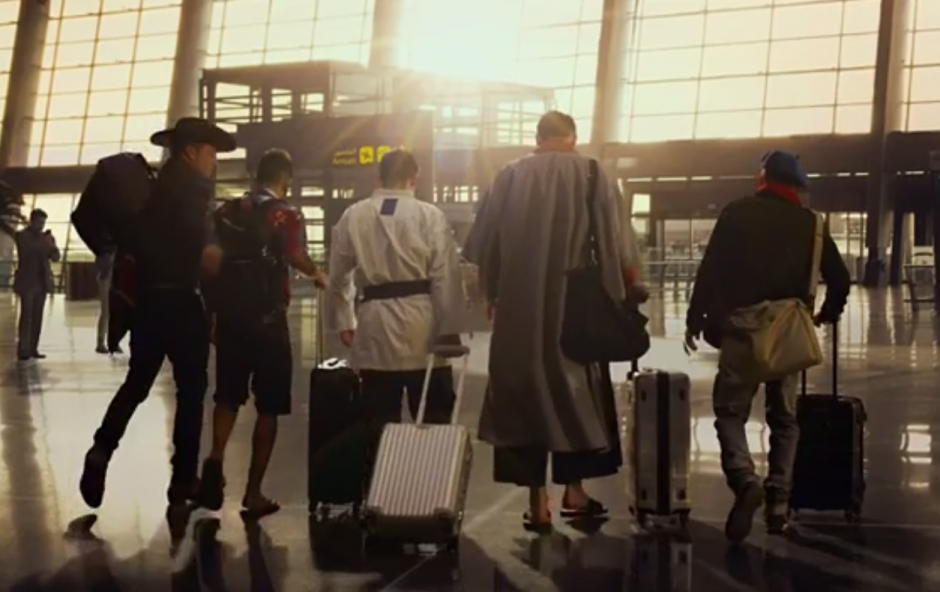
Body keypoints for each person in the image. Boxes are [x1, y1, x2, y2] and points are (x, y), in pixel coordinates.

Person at [462, 111, 642, 533]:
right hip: (573, 312)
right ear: (572, 138)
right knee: (574, 397)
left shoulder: (507, 176)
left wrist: (492, 294)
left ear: (537, 139)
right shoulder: (594, 174)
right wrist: (625, 293)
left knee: (519, 401)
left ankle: (537, 503)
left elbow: (482, 245)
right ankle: (575, 494)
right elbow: (617, 245)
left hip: (517, 313)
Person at [684, 151, 851, 542]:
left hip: (742, 329)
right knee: (785, 418)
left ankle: (744, 480)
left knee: (730, 412)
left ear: (762, 178)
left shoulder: (736, 213)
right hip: (789, 332)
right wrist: (825, 314)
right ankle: (778, 506)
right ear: (797, 187)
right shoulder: (813, 224)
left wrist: (696, 318)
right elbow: (840, 279)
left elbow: (712, 268)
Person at [79, 117, 236, 511]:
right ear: (191, 151)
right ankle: (183, 479)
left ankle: (100, 450)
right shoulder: (191, 191)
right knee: (191, 391)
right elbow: (200, 248)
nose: (214, 162)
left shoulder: (155, 190)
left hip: (149, 305)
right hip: (181, 303)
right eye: (211, 153)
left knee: (138, 383)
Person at [196, 148, 326, 519]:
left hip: (231, 319)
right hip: (268, 322)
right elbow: (295, 255)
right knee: (268, 406)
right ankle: (253, 493)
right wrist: (317, 274)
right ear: (284, 176)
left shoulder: (226, 211)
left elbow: (208, 260)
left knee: (228, 397)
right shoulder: (285, 213)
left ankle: (217, 456)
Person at [325, 148, 466, 469]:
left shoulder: (354, 215)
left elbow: (338, 277)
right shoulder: (429, 215)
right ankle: (427, 490)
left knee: (378, 420)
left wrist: (345, 319)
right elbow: (445, 276)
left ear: (379, 178)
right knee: (432, 417)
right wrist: (449, 329)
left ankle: (380, 489)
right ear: (413, 179)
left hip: (374, 321)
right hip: (423, 323)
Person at [13, 209, 60, 361]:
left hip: (41, 281)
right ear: (31, 221)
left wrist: (52, 245)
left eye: (43, 223)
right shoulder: (22, 236)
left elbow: (55, 258)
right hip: (27, 281)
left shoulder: (45, 239)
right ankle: (23, 349)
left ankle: (33, 348)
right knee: (26, 316)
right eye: (39, 222)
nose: (41, 226)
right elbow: (28, 251)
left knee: (37, 316)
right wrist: (46, 243)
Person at [94, 249, 122, 354]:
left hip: (113, 281)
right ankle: (100, 342)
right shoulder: (105, 252)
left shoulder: (113, 252)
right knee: (106, 312)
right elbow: (102, 269)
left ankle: (113, 341)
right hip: (106, 280)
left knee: (113, 313)